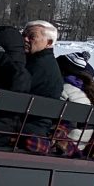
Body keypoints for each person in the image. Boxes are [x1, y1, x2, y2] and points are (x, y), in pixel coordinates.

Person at [18, 20, 66, 152]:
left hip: (29, 129)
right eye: (23, 35)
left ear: (49, 43)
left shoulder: (40, 66)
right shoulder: (36, 61)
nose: (25, 39)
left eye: (32, 36)